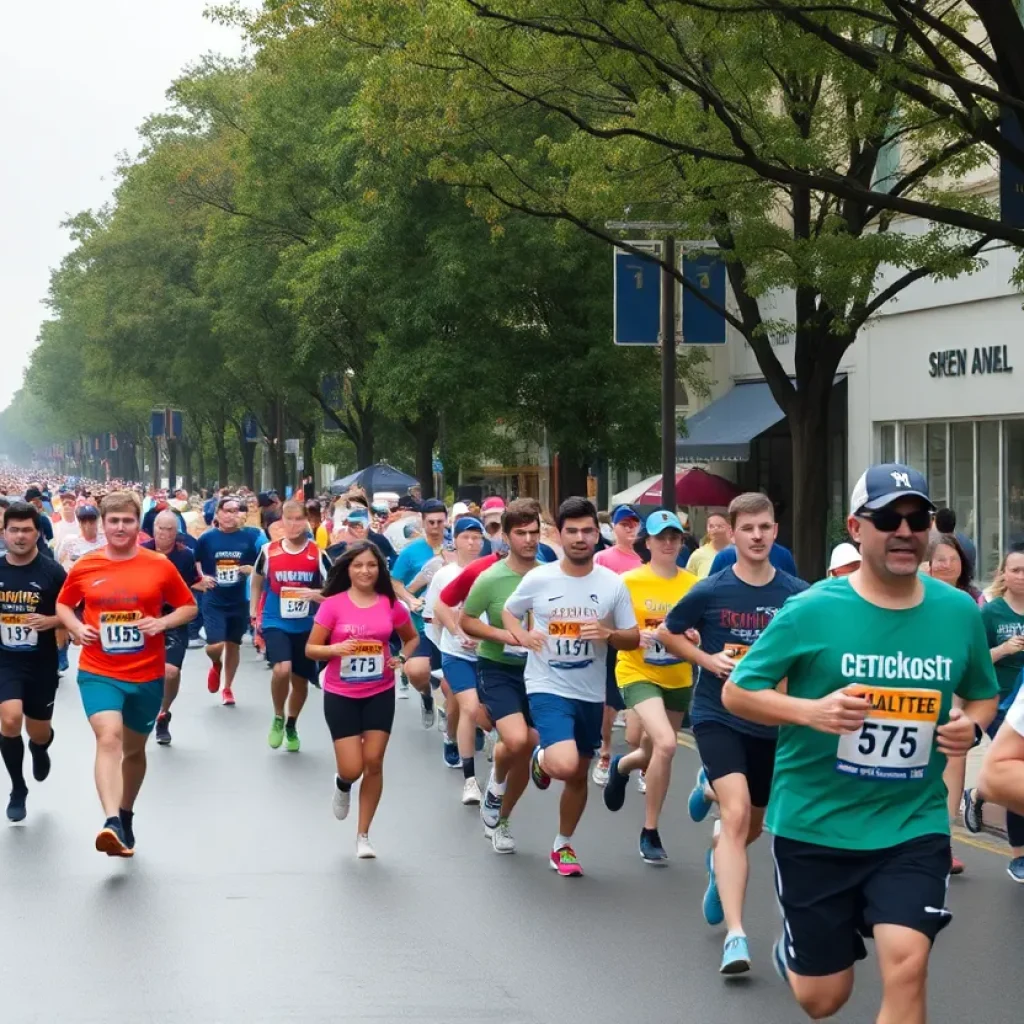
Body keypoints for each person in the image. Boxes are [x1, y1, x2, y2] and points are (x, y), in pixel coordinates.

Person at [723, 463, 997, 1020]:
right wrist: (812, 711)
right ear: (856, 527)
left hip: (910, 823)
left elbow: (981, 694)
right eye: (887, 518)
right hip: (816, 824)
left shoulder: (958, 613)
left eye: (916, 518)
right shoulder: (811, 610)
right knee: (823, 999)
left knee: (907, 962)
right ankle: (797, 953)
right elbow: (738, 692)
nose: (904, 530)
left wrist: (971, 726)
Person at [662, 491, 807, 974]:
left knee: (750, 827)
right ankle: (736, 937)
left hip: (771, 722)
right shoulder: (712, 589)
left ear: (774, 530)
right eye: (749, 529)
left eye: (765, 527)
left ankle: (716, 862)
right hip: (717, 712)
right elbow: (668, 631)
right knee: (738, 812)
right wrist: (707, 659)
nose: (758, 536)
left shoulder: (796, 593)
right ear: (731, 532)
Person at [502, 496, 639, 876]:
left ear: (598, 534)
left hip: (589, 691)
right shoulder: (540, 578)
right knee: (563, 764)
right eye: (572, 531)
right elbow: (509, 612)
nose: (580, 537)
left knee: (578, 773)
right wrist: (521, 635)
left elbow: (632, 638)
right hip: (546, 683)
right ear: (559, 535)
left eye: (587, 530)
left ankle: (562, 845)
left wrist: (609, 633)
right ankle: (542, 758)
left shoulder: (612, 585)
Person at [56, 491, 197, 856]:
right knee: (109, 738)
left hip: (146, 674)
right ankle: (110, 822)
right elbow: (64, 603)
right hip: (99, 670)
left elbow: (188, 607)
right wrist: (74, 626)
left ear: (139, 524)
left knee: (134, 751)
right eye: (113, 520)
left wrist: (161, 622)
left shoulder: (160, 565)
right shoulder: (87, 565)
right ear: (103, 524)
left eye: (127, 520)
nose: (120, 527)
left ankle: (126, 813)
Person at [306, 542, 418, 858]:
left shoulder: (390, 604)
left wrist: (400, 657)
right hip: (341, 693)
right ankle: (343, 783)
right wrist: (335, 650)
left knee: (374, 761)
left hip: (379, 691)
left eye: (371, 565)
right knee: (353, 768)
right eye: (358, 565)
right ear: (348, 570)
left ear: (379, 569)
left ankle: (363, 835)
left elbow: (411, 638)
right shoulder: (333, 605)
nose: (365, 571)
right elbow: (311, 649)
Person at [602, 510, 699, 863]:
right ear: (648, 543)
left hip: (677, 676)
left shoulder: (693, 584)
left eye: (675, 537)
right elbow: (606, 631)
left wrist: (694, 636)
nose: (669, 543)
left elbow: (701, 631)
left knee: (652, 749)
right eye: (662, 537)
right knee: (668, 744)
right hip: (637, 673)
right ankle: (650, 830)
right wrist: (632, 635)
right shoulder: (628, 582)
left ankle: (622, 767)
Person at [461, 499, 543, 853]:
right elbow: (466, 619)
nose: (529, 540)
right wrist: (502, 634)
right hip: (498, 668)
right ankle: (495, 781)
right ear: (506, 536)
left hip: (541, 672)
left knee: (525, 749)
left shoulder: (548, 574)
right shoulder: (491, 578)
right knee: (520, 739)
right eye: (521, 533)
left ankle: (502, 816)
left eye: (534, 532)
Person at [0, 502, 66, 821]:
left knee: (37, 732)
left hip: (41, 662)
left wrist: (51, 622)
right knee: (10, 720)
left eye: (27, 529)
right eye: (14, 530)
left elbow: (73, 612)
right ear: (4, 534)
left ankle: (40, 748)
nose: (21, 536)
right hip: (5, 661)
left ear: (38, 533)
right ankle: (17, 788)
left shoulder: (52, 571)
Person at [250, 500, 331, 753]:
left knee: (300, 682)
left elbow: (333, 590)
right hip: (276, 621)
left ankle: (292, 724)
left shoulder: (317, 553)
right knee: (282, 670)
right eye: (289, 519)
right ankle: (277, 716)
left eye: (299, 519)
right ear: (281, 522)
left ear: (306, 520)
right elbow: (257, 579)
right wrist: (254, 612)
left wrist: (317, 595)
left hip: (307, 626)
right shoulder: (268, 550)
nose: (294, 525)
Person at [963, 543, 1024, 879]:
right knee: (1017, 767)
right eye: (1015, 570)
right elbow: (975, 662)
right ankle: (1019, 854)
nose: (1022, 577)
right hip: (1002, 702)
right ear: (1003, 574)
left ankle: (979, 792)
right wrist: (1003, 648)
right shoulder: (990, 613)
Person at [426, 517, 486, 799]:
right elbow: (438, 611)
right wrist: (455, 635)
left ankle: (455, 738)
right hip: (455, 653)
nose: (472, 543)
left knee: (465, 710)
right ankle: (470, 780)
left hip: (489, 654)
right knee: (467, 708)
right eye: (466, 537)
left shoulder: (492, 572)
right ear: (456, 541)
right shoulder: (445, 574)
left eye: (477, 538)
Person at [143, 510, 213, 746]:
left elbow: (194, 580)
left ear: (177, 532)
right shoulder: (141, 551)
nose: (163, 533)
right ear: (153, 529)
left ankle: (163, 713)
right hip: (143, 620)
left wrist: (202, 584)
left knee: (171, 672)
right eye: (160, 528)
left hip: (174, 619)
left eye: (169, 529)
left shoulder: (185, 555)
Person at [589, 504, 643, 787]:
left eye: (635, 523)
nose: (631, 528)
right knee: (609, 700)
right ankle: (606, 752)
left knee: (642, 699)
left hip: (641, 639)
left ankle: (643, 762)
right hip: (611, 637)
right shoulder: (603, 558)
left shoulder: (645, 558)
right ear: (614, 528)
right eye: (625, 524)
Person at [194, 494, 265, 705]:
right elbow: (195, 562)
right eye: (227, 511)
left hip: (238, 599)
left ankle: (227, 688)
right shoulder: (207, 539)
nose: (232, 515)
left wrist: (251, 569)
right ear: (218, 514)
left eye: (236, 511)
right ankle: (216, 663)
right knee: (215, 646)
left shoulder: (251, 537)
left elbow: (264, 563)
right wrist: (202, 577)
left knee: (233, 645)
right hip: (214, 598)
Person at [391, 498, 449, 727]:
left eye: (440, 522)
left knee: (451, 676)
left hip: (451, 624)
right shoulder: (411, 552)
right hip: (422, 624)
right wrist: (410, 598)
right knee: (416, 671)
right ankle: (427, 696)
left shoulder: (457, 547)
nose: (436, 527)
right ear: (423, 523)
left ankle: (454, 721)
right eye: (431, 522)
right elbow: (395, 582)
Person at [686, 511, 732, 579]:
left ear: (730, 528)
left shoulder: (739, 552)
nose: (715, 529)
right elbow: (688, 580)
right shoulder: (698, 555)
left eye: (720, 526)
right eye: (711, 526)